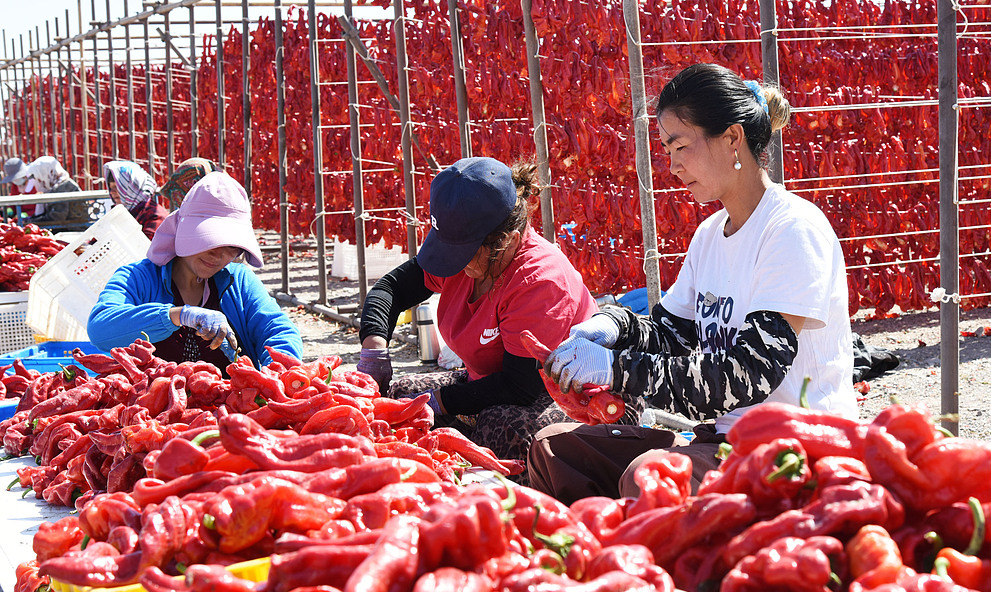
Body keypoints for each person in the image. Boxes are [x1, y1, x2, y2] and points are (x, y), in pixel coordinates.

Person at [528, 63, 857, 503]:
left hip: (795, 447)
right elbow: (671, 334)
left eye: (679, 146)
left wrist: (615, 368)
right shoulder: (709, 235)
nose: (672, 165)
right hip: (724, 440)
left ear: (732, 138)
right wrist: (614, 328)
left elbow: (748, 374)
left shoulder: (792, 230)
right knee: (554, 448)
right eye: (667, 150)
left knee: (649, 478)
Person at [357, 156, 612, 468]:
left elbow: (520, 386)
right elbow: (391, 289)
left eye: (463, 254)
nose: (454, 265)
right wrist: (374, 350)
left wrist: (438, 402)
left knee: (503, 430)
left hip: (567, 397)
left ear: (509, 241)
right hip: (489, 383)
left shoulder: (539, 281)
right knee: (387, 399)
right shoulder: (462, 257)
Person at [88, 171, 302, 373]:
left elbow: (278, 330)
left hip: (232, 409)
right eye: (208, 240)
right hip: (152, 409)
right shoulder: (138, 278)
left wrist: (278, 372)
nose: (217, 255)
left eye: (231, 247)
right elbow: (100, 329)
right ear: (184, 232)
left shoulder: (239, 280)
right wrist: (179, 315)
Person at [2, 156, 90, 228]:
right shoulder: (53, 187)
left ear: (45, 173)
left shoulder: (64, 187)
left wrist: (30, 223)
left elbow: (56, 218)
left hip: (75, 229)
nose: (37, 180)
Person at [103, 160, 168, 238]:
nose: (112, 192)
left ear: (132, 187)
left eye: (117, 187)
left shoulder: (155, 216)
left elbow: (146, 247)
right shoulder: (119, 214)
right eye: (110, 188)